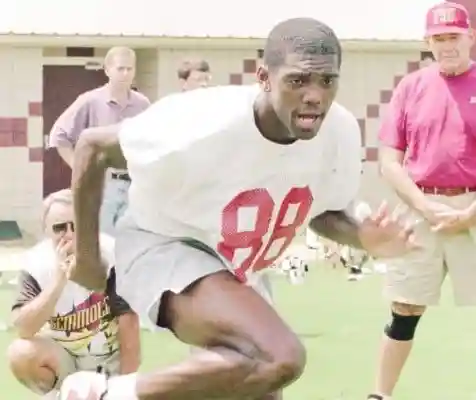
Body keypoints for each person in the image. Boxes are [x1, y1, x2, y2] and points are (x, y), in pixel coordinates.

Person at [63, 18, 416, 400]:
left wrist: (364, 236)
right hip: (165, 246)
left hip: (239, 270)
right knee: (279, 355)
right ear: (264, 77)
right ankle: (107, 395)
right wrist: (86, 257)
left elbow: (324, 213)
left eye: (327, 81)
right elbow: (92, 147)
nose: (314, 95)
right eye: (297, 81)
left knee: (262, 383)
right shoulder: (204, 120)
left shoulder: (340, 131)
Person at [368, 3, 476, 399]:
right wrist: (426, 207)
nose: (447, 46)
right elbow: (389, 161)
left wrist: (469, 215)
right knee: (404, 310)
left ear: (471, 37)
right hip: (419, 208)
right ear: (427, 42)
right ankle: (379, 395)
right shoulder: (410, 87)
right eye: (439, 39)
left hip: (474, 207)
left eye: (455, 37)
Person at [7, 189, 140, 399]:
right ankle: (59, 395)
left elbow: (129, 323)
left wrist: (125, 386)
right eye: (59, 228)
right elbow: (24, 328)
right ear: (47, 230)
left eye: (75, 226)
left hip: (107, 359)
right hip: (63, 359)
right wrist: (59, 280)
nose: (68, 234)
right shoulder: (35, 263)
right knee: (20, 353)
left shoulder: (112, 254)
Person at [48, 47, 150, 234]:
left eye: (130, 68)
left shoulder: (142, 104)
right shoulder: (90, 101)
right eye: (120, 68)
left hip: (135, 184)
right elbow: (59, 136)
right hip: (103, 185)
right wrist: (81, 169)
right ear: (107, 70)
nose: (125, 73)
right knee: (102, 241)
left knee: (131, 240)